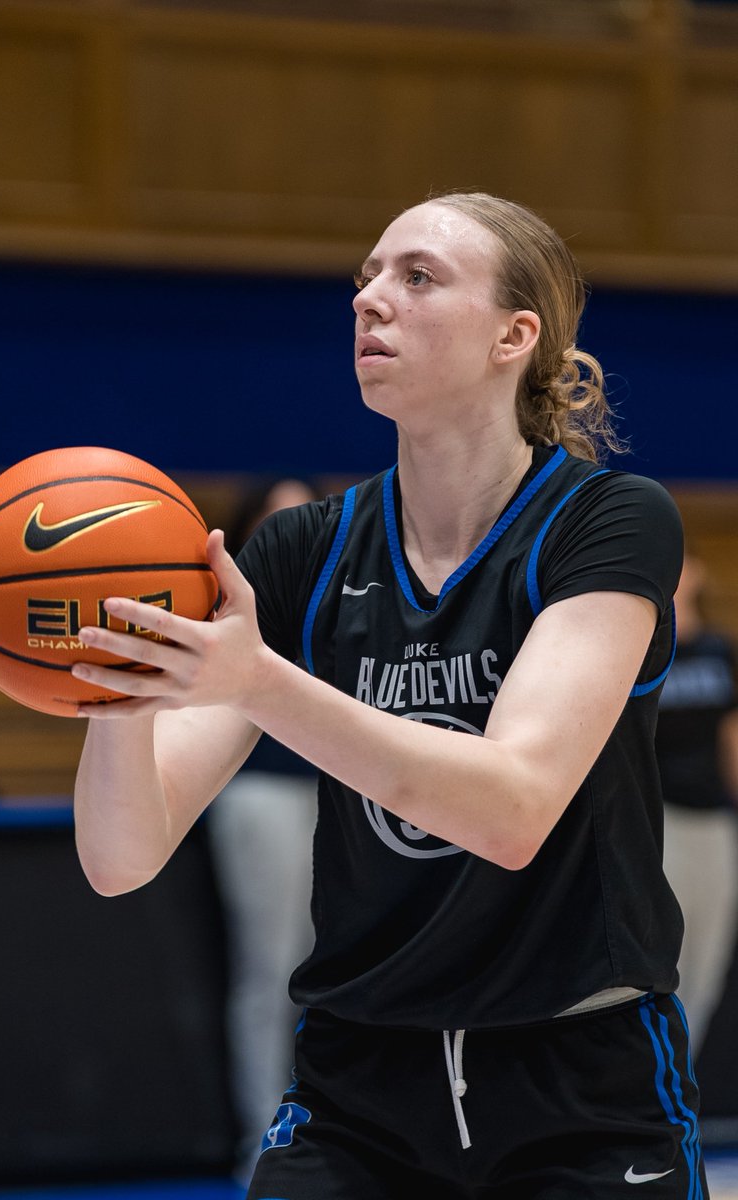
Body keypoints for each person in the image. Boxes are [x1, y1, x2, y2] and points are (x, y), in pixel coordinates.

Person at [71, 192, 704, 1198]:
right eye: (366, 276)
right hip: (361, 1088)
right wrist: (117, 698)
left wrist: (258, 679)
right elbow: (120, 857)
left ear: (515, 334)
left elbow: (511, 808)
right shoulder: (305, 550)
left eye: (417, 276)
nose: (372, 299)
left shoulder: (608, 523)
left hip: (578, 1081)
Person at [207, 479, 319, 1178]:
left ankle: (338, 1133)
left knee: (339, 972)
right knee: (271, 970)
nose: (290, 533)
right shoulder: (231, 616)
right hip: (264, 794)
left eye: (303, 518)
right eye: (276, 521)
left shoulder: (349, 598)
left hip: (342, 795)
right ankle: (264, 1139)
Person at [656, 551, 738, 1055]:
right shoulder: (643, 648)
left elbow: (730, 734)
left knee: (710, 960)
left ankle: (684, 1077)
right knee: (669, 957)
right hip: (661, 821)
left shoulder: (717, 649)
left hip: (714, 822)